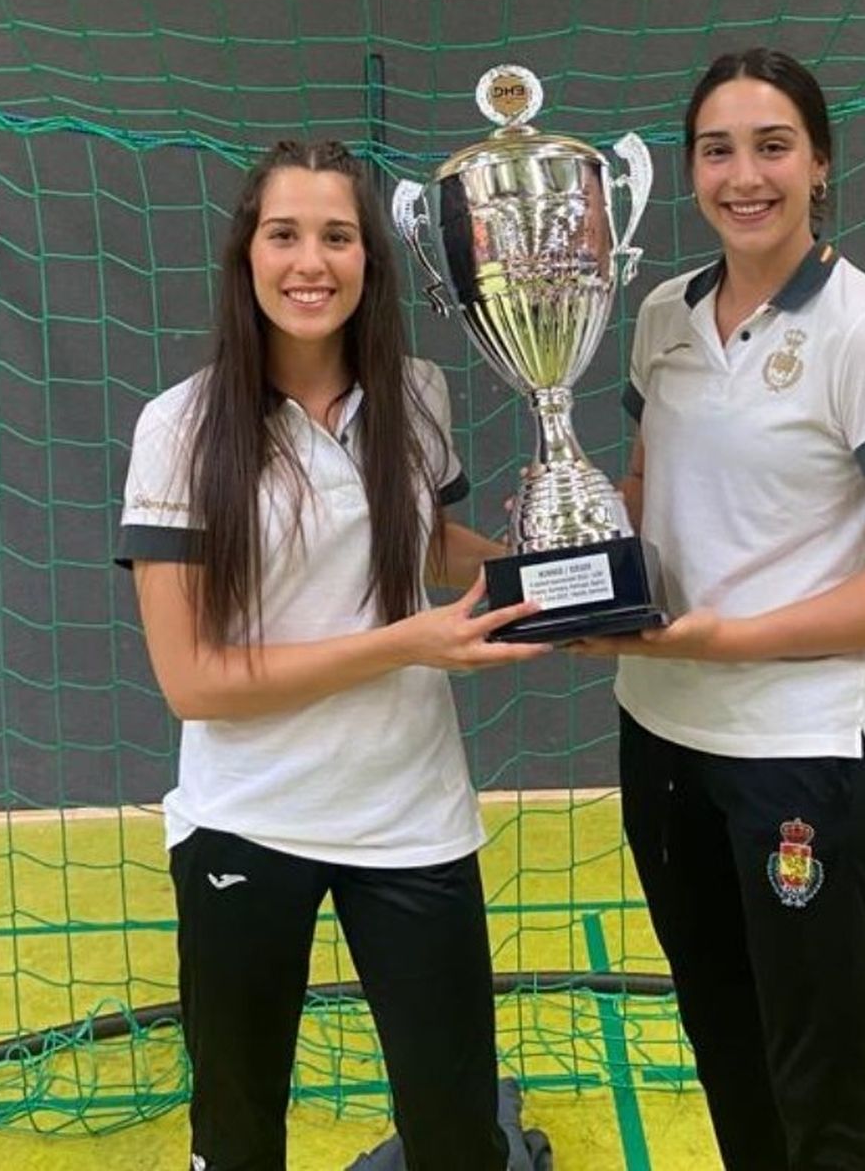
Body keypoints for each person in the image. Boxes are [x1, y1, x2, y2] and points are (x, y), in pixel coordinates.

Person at [116, 138, 553, 1171]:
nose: (310, 262)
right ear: (247, 254)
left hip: (410, 820)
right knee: (237, 1134)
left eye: (337, 237)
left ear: (369, 261)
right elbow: (194, 683)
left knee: (456, 1136)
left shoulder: (416, 394)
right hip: (248, 822)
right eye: (284, 234)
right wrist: (406, 642)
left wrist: (557, 582)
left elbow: (425, 545)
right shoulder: (178, 429)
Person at [593, 49, 865, 1171]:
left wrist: (736, 641)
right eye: (717, 150)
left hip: (802, 758)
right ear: (691, 171)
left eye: (771, 146)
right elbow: (650, 493)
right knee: (726, 1043)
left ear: (819, 162)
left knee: (830, 1077)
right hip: (660, 738)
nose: (743, 175)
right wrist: (576, 563)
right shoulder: (664, 314)